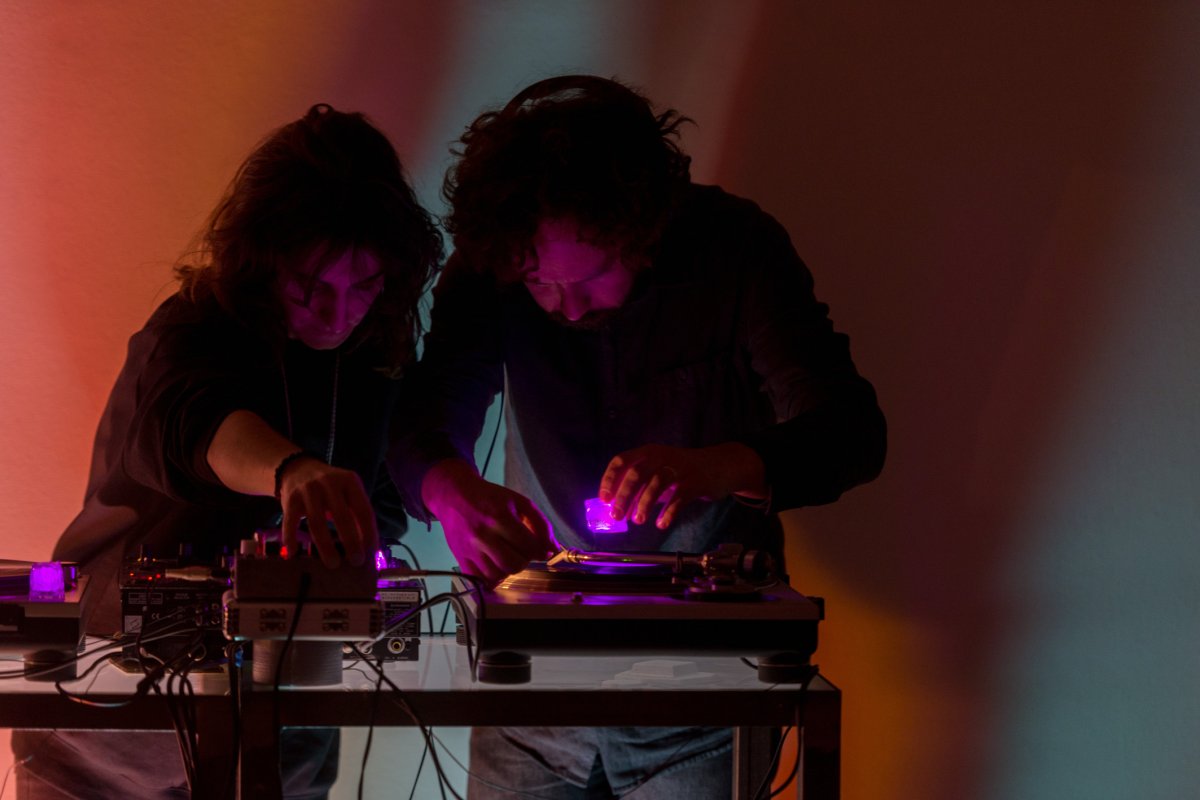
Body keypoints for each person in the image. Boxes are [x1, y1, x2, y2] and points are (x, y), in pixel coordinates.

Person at [388, 76, 886, 799]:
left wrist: (720, 466)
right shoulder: (495, 260)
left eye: (589, 278)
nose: (564, 307)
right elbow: (424, 412)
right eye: (538, 284)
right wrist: (450, 491)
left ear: (642, 232)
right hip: (529, 698)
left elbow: (852, 431)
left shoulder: (736, 250)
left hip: (700, 703)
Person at [13, 104, 442, 799]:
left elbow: (382, 502)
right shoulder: (191, 330)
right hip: (104, 739)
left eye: (363, 287)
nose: (337, 314)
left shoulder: (374, 359)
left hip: (283, 733)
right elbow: (193, 424)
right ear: (261, 260)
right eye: (309, 286)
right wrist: (292, 471)